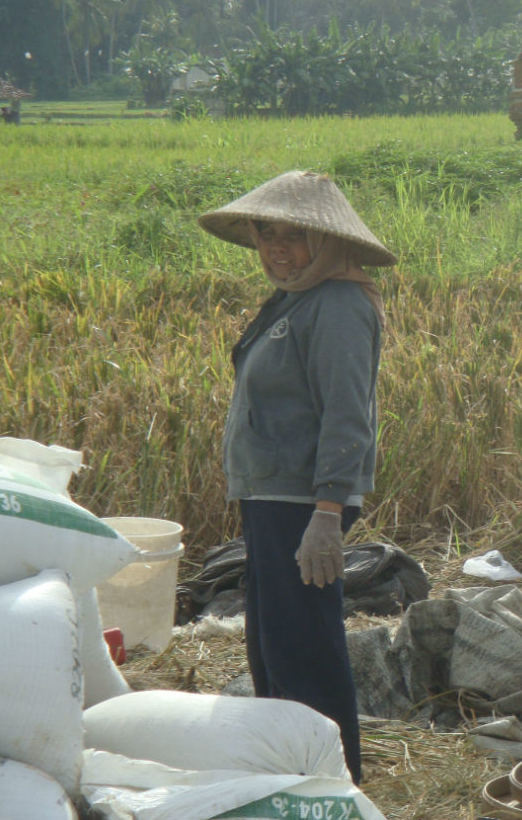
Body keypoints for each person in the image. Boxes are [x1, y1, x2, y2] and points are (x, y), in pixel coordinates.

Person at [197, 170, 397, 785]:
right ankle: (288, 775)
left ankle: (332, 782)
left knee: (304, 649)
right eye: (267, 234)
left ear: (328, 243)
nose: (278, 248)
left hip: (303, 503)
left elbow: (347, 414)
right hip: (269, 498)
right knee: (271, 648)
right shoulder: (294, 299)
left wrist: (328, 513)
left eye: (295, 235)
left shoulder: (337, 306)